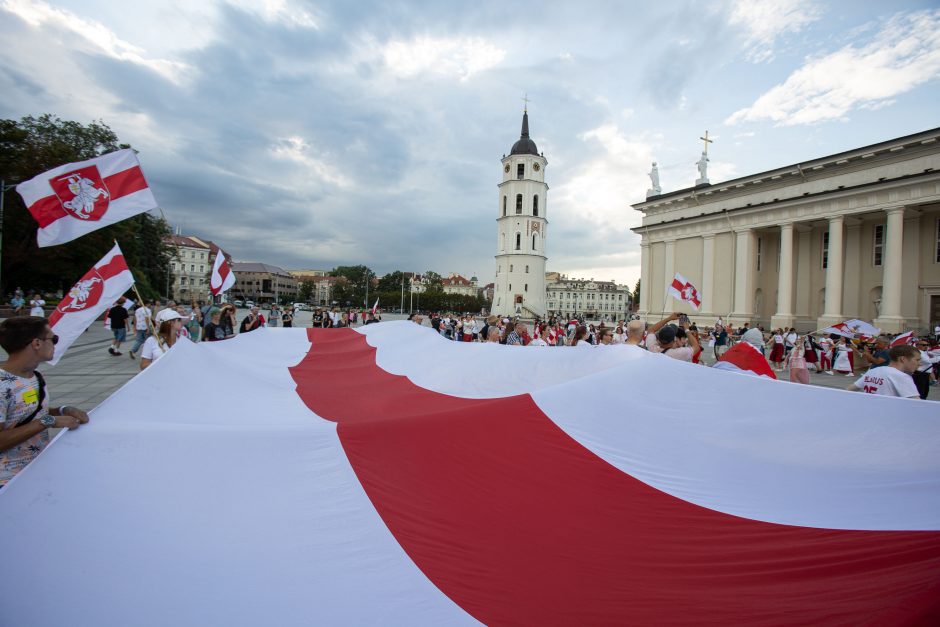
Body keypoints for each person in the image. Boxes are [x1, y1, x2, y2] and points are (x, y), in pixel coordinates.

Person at [0, 317, 90, 488]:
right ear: (37, 343)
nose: (55, 344)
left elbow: (25, 415)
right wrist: (48, 422)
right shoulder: (2, 384)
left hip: (34, 473)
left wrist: (62, 411)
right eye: (53, 339)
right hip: (7, 483)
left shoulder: (34, 377)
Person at [847, 345, 921, 398]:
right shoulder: (902, 377)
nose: (919, 363)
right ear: (903, 359)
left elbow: (850, 389)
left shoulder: (873, 371)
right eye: (917, 360)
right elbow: (917, 404)